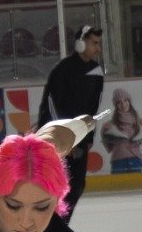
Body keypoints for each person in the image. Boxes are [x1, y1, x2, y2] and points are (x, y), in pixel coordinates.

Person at [36, 25, 104, 220]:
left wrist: (88, 135)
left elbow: (93, 108)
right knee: (53, 185)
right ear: (80, 43)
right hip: (57, 138)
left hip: (79, 137)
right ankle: (47, 225)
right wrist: (64, 138)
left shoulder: (96, 72)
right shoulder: (63, 70)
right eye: (94, 43)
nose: (98, 49)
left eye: (99, 44)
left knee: (77, 185)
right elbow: (52, 105)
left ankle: (59, 226)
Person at [101, 88, 142, 174]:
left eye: (125, 100)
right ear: (116, 105)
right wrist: (104, 133)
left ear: (129, 101)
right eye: (119, 102)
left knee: (138, 187)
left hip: (135, 160)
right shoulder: (110, 125)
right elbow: (109, 148)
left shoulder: (140, 123)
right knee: (118, 187)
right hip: (118, 161)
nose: (123, 104)